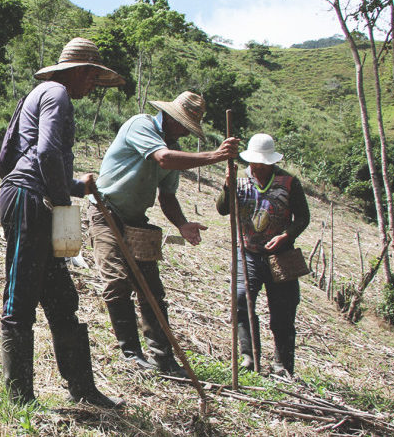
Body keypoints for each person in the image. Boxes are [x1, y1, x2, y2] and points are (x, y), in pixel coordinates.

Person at [0, 38, 125, 408]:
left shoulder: (39, 95)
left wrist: (72, 187)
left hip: (33, 198)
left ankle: (83, 389)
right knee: (20, 298)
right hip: (32, 203)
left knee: (61, 298)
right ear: (82, 71)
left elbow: (12, 160)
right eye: (93, 79)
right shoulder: (56, 93)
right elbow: (48, 152)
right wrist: (62, 201)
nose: (93, 87)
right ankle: (19, 399)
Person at [86, 92, 239, 377]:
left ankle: (163, 358)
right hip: (106, 212)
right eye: (182, 125)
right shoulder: (141, 125)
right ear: (168, 117)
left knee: (151, 290)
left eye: (188, 128)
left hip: (136, 219)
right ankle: (131, 354)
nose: (183, 131)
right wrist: (215, 156)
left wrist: (182, 224)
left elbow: (167, 196)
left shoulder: (174, 147)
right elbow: (163, 159)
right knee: (117, 281)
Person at [216, 133, 310, 378]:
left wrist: (286, 236)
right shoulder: (239, 178)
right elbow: (222, 209)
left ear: (271, 162)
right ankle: (249, 356)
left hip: (280, 257)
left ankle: (282, 366)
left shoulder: (289, 182)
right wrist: (228, 184)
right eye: (253, 162)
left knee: (284, 311)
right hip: (248, 252)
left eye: (261, 162)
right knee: (240, 300)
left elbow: (302, 217)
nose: (256, 166)